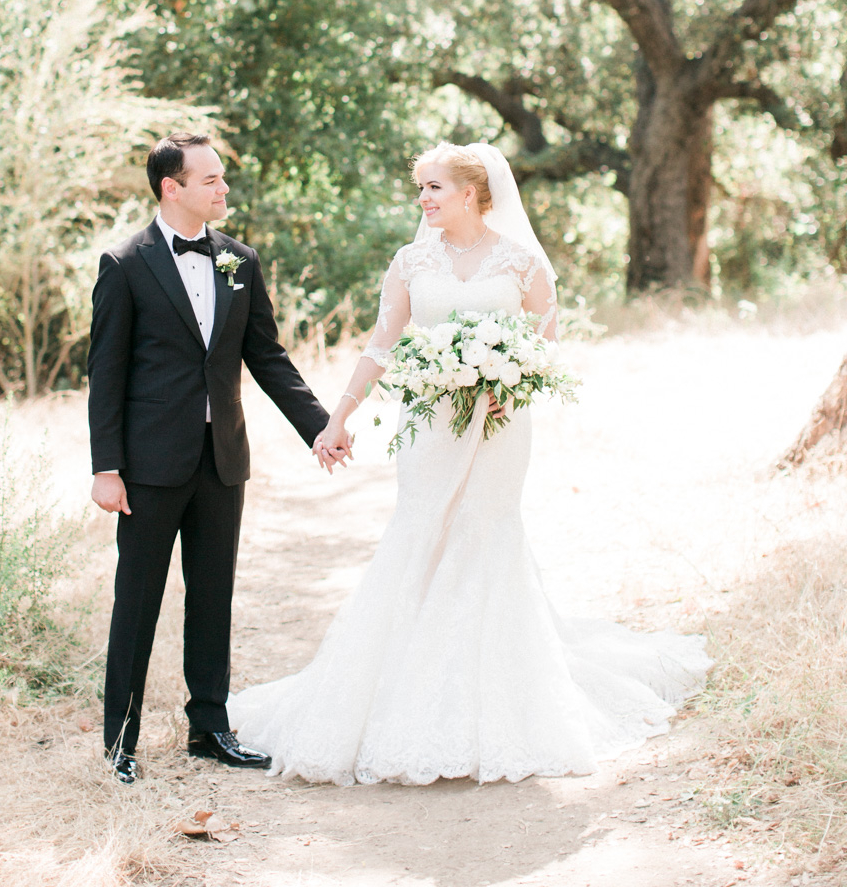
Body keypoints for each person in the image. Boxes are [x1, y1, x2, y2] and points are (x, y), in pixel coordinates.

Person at [229, 141, 710, 786]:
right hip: (429, 426)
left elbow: (547, 346)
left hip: (500, 426)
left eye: (434, 188)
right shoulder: (410, 262)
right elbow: (381, 344)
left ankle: (498, 697)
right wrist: (337, 417)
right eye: (420, 188)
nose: (423, 199)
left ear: (471, 193)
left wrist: (510, 383)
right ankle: (407, 687)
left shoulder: (521, 262)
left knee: (484, 533)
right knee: (424, 533)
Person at [87, 131, 342, 784]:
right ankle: (120, 743)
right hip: (148, 466)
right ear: (171, 187)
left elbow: (268, 357)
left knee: (213, 597)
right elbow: (105, 373)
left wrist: (320, 427)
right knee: (137, 602)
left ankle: (210, 728)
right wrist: (106, 468)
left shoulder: (239, 260)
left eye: (222, 177)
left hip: (222, 459)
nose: (224, 188)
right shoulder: (125, 263)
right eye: (210, 180)